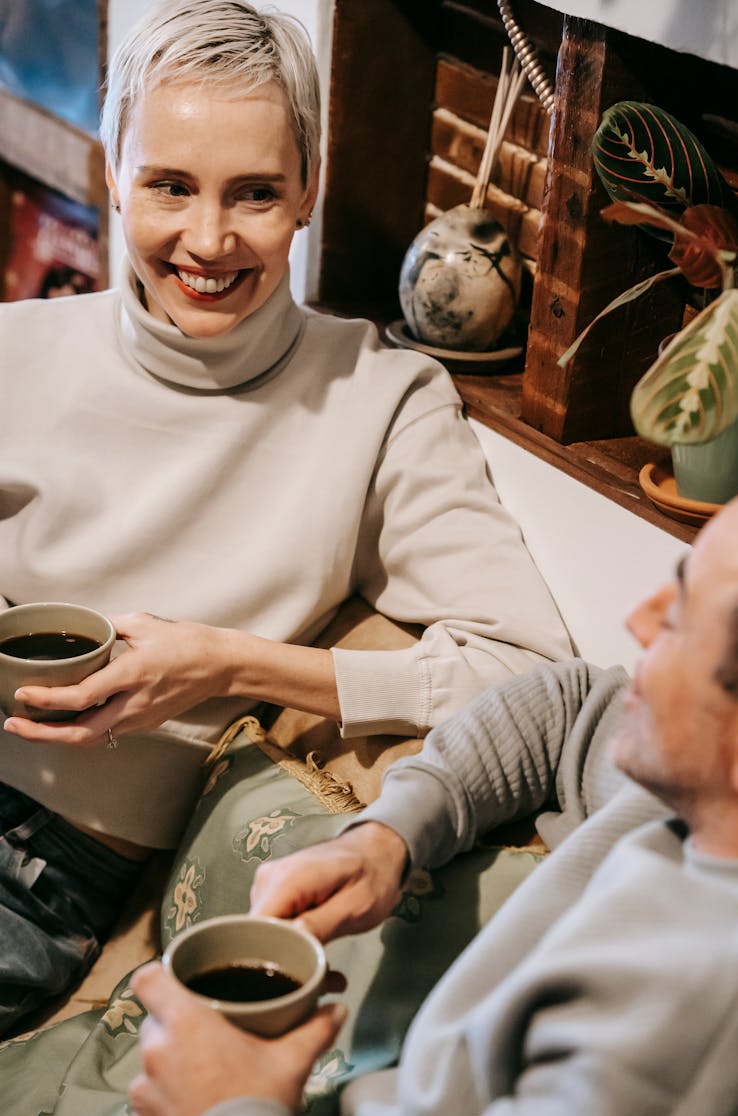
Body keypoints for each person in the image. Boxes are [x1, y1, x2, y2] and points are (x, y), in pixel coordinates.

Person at [0, 0, 572, 1035]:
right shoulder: (15, 352)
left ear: (308, 190)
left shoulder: (379, 402)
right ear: (113, 172)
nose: (208, 241)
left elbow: (528, 672)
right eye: (170, 185)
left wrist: (227, 666)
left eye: (255, 193)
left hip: (45, 877)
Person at [127, 491, 738, 1116]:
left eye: (683, 617)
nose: (638, 621)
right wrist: (383, 838)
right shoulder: (683, 796)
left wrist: (224, 1110)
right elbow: (569, 705)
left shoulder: (687, 1026)